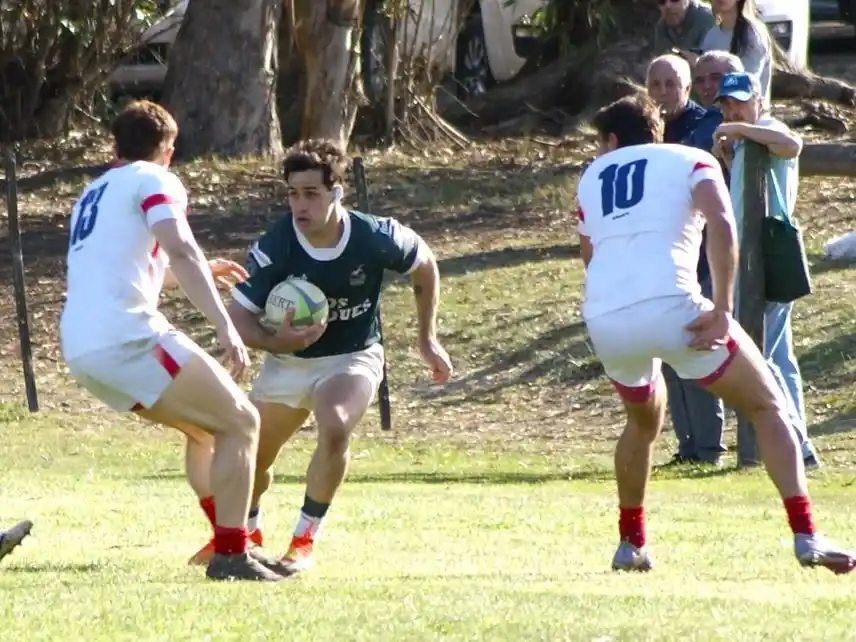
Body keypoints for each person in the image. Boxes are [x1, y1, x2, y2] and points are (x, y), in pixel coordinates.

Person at [575, 94, 853, 573]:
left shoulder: (591, 176)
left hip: (606, 316)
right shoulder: (694, 159)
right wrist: (723, 308)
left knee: (642, 422)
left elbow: (590, 254)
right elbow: (722, 224)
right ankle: (807, 535)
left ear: (612, 140)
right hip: (676, 307)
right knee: (767, 404)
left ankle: (631, 544)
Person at [188, 139, 453, 574]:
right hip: (288, 364)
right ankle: (246, 535)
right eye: (293, 193)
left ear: (337, 192)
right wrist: (279, 344)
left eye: (311, 193)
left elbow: (424, 264)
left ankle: (304, 540)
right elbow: (238, 317)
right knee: (251, 456)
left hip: (352, 357)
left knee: (333, 424)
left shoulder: (374, 235)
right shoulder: (277, 244)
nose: (300, 204)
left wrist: (427, 339)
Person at [59, 100, 285, 582]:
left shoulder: (92, 193)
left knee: (207, 432)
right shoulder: (155, 178)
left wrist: (198, 271)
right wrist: (225, 323)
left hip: (82, 348)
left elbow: (123, 269)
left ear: (115, 145)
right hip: (126, 337)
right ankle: (231, 555)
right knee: (242, 421)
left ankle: (232, 543)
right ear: (168, 149)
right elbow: (179, 246)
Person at [712, 71, 820, 467]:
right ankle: (797, 439)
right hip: (750, 257)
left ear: (759, 99)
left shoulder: (768, 127)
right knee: (780, 356)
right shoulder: (746, 143)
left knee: (762, 354)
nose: (732, 109)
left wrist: (739, 128)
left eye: (740, 101)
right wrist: (728, 154)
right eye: (726, 104)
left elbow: (793, 145)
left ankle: (798, 445)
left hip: (768, 258)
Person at [646, 54, 726, 465]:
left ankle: (710, 447)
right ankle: (687, 446)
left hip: (702, 259)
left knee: (697, 349)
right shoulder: (646, 132)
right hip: (666, 259)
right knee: (671, 354)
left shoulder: (705, 126)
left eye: (671, 84)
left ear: (687, 88)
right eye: (655, 85)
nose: (663, 93)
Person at [702, 0, 772, 102]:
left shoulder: (753, 33)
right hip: (719, 112)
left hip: (748, 112)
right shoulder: (712, 35)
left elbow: (747, 82)